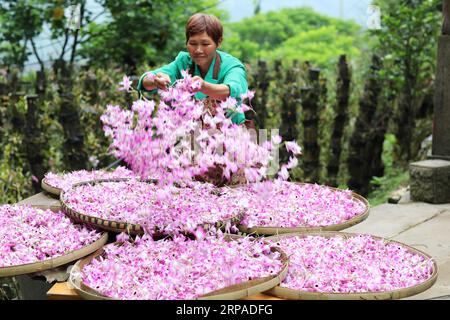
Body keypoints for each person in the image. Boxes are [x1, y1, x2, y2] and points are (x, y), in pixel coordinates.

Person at [136, 13, 248, 125]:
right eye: (193, 43)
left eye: (205, 44)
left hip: (230, 134)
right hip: (190, 134)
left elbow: (233, 91)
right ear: (186, 43)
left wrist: (203, 86)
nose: (198, 50)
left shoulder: (232, 66)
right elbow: (145, 80)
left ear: (218, 42)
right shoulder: (183, 62)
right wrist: (156, 80)